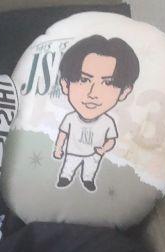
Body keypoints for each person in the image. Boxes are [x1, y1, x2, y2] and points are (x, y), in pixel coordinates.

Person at [53, 34, 140, 192]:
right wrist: (58, 148)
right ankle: (65, 178)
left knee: (90, 170)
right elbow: (62, 134)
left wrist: (103, 149)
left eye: (108, 83)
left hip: (94, 154)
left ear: (124, 92)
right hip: (72, 152)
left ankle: (88, 180)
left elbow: (111, 140)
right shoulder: (70, 118)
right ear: (65, 85)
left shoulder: (107, 122)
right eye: (84, 80)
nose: (93, 93)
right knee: (68, 166)